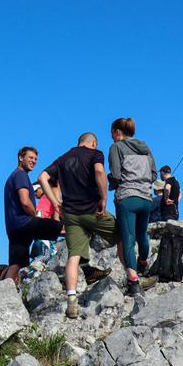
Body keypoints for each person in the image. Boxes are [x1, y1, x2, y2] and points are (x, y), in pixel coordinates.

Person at [38, 133, 118, 319]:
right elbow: (99, 172)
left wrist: (56, 202)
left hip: (71, 215)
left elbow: (42, 177)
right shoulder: (95, 153)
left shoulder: (63, 158)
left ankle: (72, 301)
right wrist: (104, 198)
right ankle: (133, 278)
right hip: (93, 211)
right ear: (93, 142)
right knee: (122, 234)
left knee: (73, 256)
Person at [107, 118, 157, 296]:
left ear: (117, 132)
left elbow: (116, 174)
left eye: (112, 133)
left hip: (127, 197)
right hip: (146, 198)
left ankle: (133, 281)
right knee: (142, 234)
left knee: (128, 238)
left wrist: (109, 181)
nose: (112, 137)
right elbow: (153, 174)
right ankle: (143, 263)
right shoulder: (145, 148)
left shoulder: (116, 147)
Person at [2, 147, 62, 284]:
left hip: (13, 228)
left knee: (16, 265)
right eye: (30, 158)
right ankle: (81, 260)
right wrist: (34, 215)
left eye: (35, 159)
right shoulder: (20, 175)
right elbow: (24, 200)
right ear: (20, 157)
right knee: (62, 228)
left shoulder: (13, 176)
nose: (33, 161)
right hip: (24, 222)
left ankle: (6, 291)